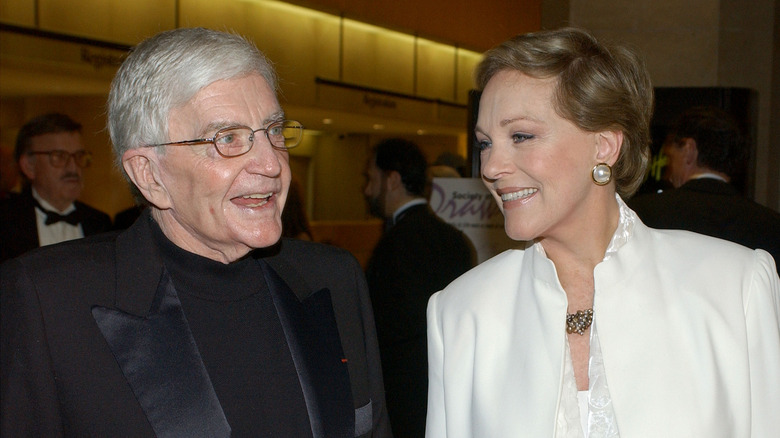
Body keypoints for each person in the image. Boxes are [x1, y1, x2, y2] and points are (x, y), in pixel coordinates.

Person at [1, 28, 390, 437]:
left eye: (274, 131)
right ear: (149, 175)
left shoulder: (333, 277)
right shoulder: (47, 303)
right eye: (227, 138)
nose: (272, 163)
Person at [425, 28, 780, 438]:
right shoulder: (460, 312)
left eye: (521, 136)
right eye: (485, 143)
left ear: (605, 146)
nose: (490, 166)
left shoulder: (733, 287)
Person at [363, 138, 474, 438]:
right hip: (450, 394)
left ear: (392, 180)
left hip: (403, 404)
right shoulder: (455, 239)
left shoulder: (395, 245)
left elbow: (381, 330)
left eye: (371, 179)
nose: (367, 190)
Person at [629, 106, 780, 273]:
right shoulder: (771, 226)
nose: (668, 173)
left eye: (669, 157)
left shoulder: (641, 214)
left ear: (689, 150)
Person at [0, 113, 111, 262]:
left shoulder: (100, 223)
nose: (73, 167)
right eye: (59, 156)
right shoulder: (6, 221)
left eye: (79, 155)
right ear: (29, 166)